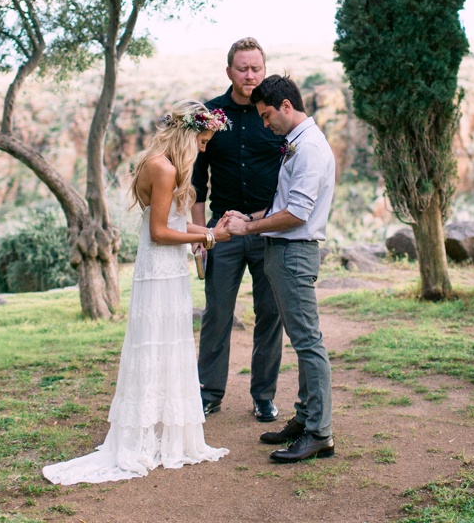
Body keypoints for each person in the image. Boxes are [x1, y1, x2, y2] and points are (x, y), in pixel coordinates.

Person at [43, 101, 231, 485]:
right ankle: (146, 440)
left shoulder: (161, 164)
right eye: (203, 140)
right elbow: (159, 233)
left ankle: (160, 434)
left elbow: (173, 225)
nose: (204, 148)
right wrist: (211, 235)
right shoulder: (162, 169)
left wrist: (210, 230)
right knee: (158, 346)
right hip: (160, 272)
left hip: (168, 271)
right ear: (187, 134)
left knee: (168, 346)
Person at [222, 75, 336, 463]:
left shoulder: (310, 150)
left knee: (308, 343)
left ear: (286, 106)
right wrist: (248, 215)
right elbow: (282, 203)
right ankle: (305, 419)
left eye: (268, 115)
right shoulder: (297, 144)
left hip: (294, 253)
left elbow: (297, 214)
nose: (265, 124)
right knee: (303, 340)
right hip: (283, 251)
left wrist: (249, 229)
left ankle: (319, 432)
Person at [192, 38, 285, 422]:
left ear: (265, 69)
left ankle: (263, 396)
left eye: (256, 68)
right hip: (223, 231)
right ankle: (209, 393)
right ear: (229, 71)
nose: (250, 75)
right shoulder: (210, 114)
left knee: (270, 314)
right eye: (243, 68)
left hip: (268, 230)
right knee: (217, 314)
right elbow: (197, 180)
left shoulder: (276, 114)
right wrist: (201, 236)